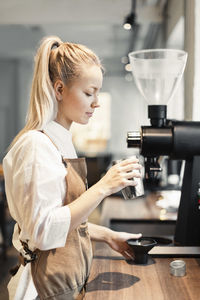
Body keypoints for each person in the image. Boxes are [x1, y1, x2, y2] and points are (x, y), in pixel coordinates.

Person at [3, 36, 142, 300]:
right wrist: (103, 187)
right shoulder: (36, 145)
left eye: (97, 93)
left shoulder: (61, 141)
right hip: (44, 288)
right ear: (59, 90)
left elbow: (62, 218)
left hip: (65, 282)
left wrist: (107, 235)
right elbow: (43, 232)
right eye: (89, 93)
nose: (96, 102)